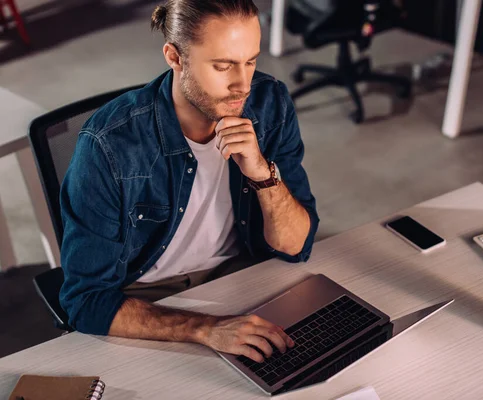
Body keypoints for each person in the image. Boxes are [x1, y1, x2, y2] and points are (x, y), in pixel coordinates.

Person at [59, 0, 319, 364]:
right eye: (223, 66)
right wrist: (205, 328)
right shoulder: (108, 145)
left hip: (242, 275)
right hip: (149, 299)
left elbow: (296, 245)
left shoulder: (269, 102)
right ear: (175, 57)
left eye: (251, 61)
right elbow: (86, 300)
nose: (242, 85)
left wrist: (262, 174)